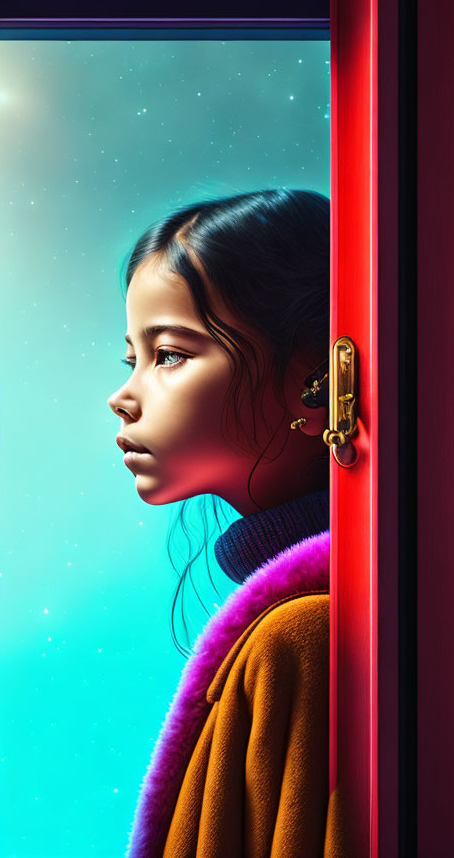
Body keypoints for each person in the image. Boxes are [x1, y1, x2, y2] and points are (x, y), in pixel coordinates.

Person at [107, 188, 348, 857]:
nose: (122, 397)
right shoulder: (309, 620)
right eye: (133, 358)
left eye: (170, 355)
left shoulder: (307, 633)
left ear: (315, 383)